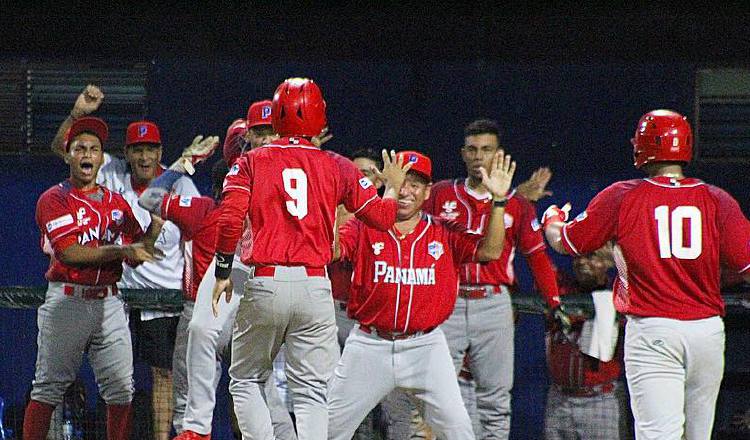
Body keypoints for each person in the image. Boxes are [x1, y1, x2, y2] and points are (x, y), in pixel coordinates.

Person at [211, 77, 410, 440]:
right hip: (316, 286)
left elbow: (229, 218)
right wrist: (392, 186)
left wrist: (224, 270)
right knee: (313, 393)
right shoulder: (337, 164)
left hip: (266, 281)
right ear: (319, 119)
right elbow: (382, 218)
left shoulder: (251, 161)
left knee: (244, 380)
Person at [542, 109, 750, 439]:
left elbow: (566, 242)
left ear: (643, 146)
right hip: (707, 332)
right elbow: (746, 266)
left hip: (653, 329)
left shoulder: (624, 195)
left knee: (658, 435)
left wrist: (551, 218)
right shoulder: (717, 198)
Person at [328, 149, 515, 440]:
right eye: (401, 181)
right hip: (369, 344)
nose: (406, 190)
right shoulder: (365, 226)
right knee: (325, 430)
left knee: (460, 433)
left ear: (428, 192)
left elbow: (490, 251)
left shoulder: (443, 231)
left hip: (425, 347)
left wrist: (499, 202)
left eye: (415, 184)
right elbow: (334, 249)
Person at [146, 114, 295, 440]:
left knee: (248, 399)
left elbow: (150, 198)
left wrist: (185, 163)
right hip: (232, 307)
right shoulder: (204, 211)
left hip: (244, 304)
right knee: (258, 397)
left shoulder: (253, 208)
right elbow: (149, 201)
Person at [425, 118, 561, 440]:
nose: (478, 156)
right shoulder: (441, 193)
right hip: (449, 302)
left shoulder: (517, 204)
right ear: (462, 153)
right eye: (471, 150)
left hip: (493, 303)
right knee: (439, 395)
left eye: (486, 150)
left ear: (498, 154)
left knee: (495, 400)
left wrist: (554, 300)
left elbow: (537, 256)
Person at [25, 116, 160, 440]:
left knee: (121, 389)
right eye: (80, 148)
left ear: (101, 158)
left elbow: (139, 252)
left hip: (109, 301)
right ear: (69, 155)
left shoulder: (116, 202)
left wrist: (155, 227)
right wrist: (122, 251)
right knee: (47, 388)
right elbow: (70, 253)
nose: (87, 153)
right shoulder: (53, 199)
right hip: (68, 301)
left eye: (94, 148)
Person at [544, 244, 627, 440]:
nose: (582, 262)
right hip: (559, 400)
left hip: (600, 400)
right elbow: (538, 261)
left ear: (608, 262)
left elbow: (640, 276)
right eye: (578, 257)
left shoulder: (620, 294)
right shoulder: (560, 289)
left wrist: (618, 257)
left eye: (592, 256)